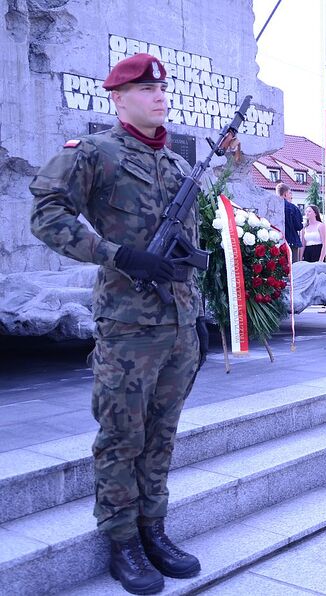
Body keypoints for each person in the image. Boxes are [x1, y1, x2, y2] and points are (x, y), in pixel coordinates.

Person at [30, 53, 205, 595]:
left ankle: (155, 529)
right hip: (128, 325)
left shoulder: (177, 165)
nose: (159, 96)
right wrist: (115, 254)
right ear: (118, 98)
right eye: (145, 88)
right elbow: (46, 213)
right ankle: (122, 540)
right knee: (121, 438)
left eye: (162, 88)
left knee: (162, 435)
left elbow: (189, 245)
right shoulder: (94, 152)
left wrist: (198, 312)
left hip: (177, 322)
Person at [276, 182, 303, 262]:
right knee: (293, 268)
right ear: (285, 194)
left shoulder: (272, 206)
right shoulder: (293, 208)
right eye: (290, 193)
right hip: (291, 242)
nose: (291, 196)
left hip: (276, 241)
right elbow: (298, 226)